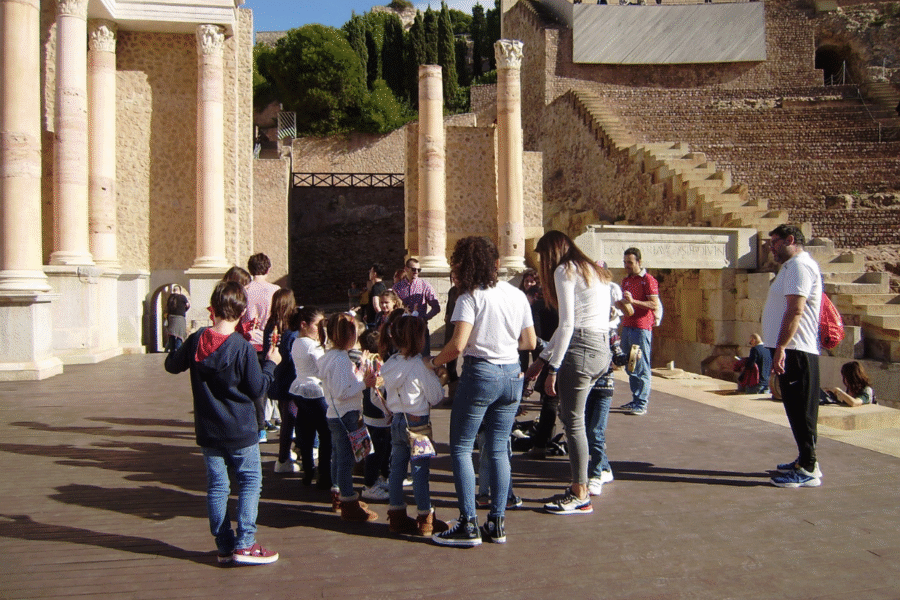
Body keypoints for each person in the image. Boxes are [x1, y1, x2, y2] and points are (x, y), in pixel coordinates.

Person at [164, 280, 280, 566]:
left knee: (218, 487)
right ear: (241, 313)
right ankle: (246, 543)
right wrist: (270, 364)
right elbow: (257, 388)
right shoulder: (241, 347)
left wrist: (176, 339)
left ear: (212, 309)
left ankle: (225, 546)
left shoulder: (197, 340)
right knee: (250, 482)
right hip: (240, 429)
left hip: (209, 429)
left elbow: (172, 365)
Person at [430, 236, 535, 547]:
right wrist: (504, 345)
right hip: (511, 374)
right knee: (499, 448)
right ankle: (497, 522)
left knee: (462, 448)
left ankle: (468, 522)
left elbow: (457, 345)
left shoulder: (469, 297)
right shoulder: (517, 295)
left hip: (481, 373)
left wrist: (433, 362)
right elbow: (529, 342)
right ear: (496, 264)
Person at [525, 231, 612, 515]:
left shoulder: (565, 270)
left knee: (573, 423)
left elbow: (567, 325)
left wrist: (553, 367)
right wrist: (542, 359)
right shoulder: (595, 271)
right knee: (580, 421)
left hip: (580, 350)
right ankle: (592, 475)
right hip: (601, 349)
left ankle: (579, 492)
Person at [762, 224, 824, 488]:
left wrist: (781, 347)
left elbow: (795, 310)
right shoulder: (790, 267)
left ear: (790, 240)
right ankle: (805, 460)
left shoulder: (800, 266)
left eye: (774, 242)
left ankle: (808, 469)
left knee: (802, 411)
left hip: (796, 349)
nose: (771, 248)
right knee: (795, 409)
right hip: (790, 349)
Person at [380, 315, 450, 536]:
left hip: (397, 419)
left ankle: (396, 514)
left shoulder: (390, 364)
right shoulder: (420, 366)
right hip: (417, 423)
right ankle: (425, 517)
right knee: (420, 471)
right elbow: (435, 396)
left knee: (396, 469)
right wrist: (441, 379)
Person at [317, 312, 380, 522]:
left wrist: (360, 375)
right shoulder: (341, 360)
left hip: (336, 414)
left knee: (339, 456)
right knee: (346, 460)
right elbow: (342, 392)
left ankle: (340, 494)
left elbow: (342, 385)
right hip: (345, 414)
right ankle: (348, 501)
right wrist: (365, 384)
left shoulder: (330, 357)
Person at [288, 306, 332, 489]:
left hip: (300, 390)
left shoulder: (296, 342)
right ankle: (324, 475)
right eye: (317, 325)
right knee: (326, 434)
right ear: (304, 325)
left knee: (305, 432)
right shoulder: (311, 345)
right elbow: (324, 368)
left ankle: (308, 470)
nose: (320, 329)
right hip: (315, 391)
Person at [242, 253, 282, 441]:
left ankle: (259, 427)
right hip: (270, 341)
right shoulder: (275, 290)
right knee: (270, 381)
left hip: (249, 341)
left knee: (253, 386)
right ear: (268, 268)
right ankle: (273, 420)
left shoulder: (244, 291)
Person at [262, 289, 301, 474]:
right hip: (291, 380)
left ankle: (290, 452)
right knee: (291, 419)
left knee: (287, 418)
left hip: (277, 377)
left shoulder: (270, 326)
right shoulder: (292, 330)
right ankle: (284, 457)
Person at [617, 247, 659, 416]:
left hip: (641, 328)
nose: (626, 265)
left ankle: (641, 403)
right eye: (625, 262)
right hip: (628, 326)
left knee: (640, 365)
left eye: (630, 262)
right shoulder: (626, 280)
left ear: (639, 262)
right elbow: (626, 305)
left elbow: (654, 304)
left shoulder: (648, 280)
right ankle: (636, 399)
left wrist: (633, 301)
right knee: (630, 365)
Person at [393, 258, 441, 356]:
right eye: (414, 269)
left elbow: (436, 307)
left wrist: (425, 317)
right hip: (403, 330)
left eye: (419, 270)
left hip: (420, 328)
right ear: (406, 269)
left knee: (423, 359)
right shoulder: (397, 288)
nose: (416, 272)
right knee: (404, 359)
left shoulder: (425, 285)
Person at [362, 263, 388, 328]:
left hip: (374, 323)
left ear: (374, 274)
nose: (369, 273)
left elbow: (376, 306)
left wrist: (381, 318)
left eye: (370, 271)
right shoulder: (383, 286)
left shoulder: (375, 287)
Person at [165, 285, 190, 352]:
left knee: (172, 335)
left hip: (171, 318)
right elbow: (187, 305)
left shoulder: (170, 297)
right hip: (180, 318)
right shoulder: (182, 297)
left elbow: (167, 307)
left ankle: (172, 350)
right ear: (180, 290)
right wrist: (184, 310)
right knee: (180, 335)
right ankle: (178, 350)